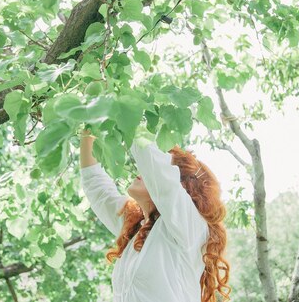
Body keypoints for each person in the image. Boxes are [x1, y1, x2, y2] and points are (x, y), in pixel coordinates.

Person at [79, 126, 231, 302]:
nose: (142, 171)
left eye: (168, 168)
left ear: (183, 188)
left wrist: (120, 109)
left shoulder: (187, 224)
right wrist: (88, 128)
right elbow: (96, 184)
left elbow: (153, 165)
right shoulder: (136, 227)